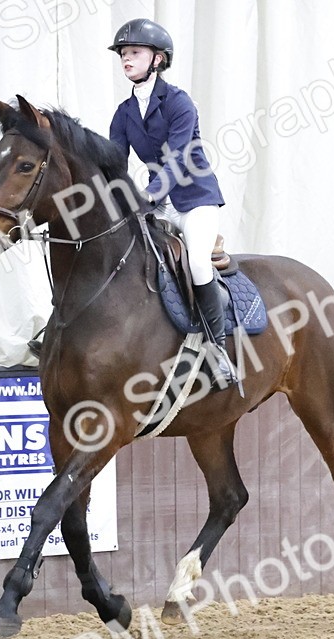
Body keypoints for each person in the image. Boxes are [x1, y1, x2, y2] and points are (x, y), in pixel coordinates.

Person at [107, 18, 236, 389]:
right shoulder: (124, 112)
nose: (126, 60)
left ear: (158, 59)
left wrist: (148, 194)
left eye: (134, 52)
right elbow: (115, 160)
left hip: (194, 199)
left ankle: (217, 348)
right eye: (123, 54)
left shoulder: (179, 103)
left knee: (196, 260)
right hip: (157, 201)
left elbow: (178, 160)